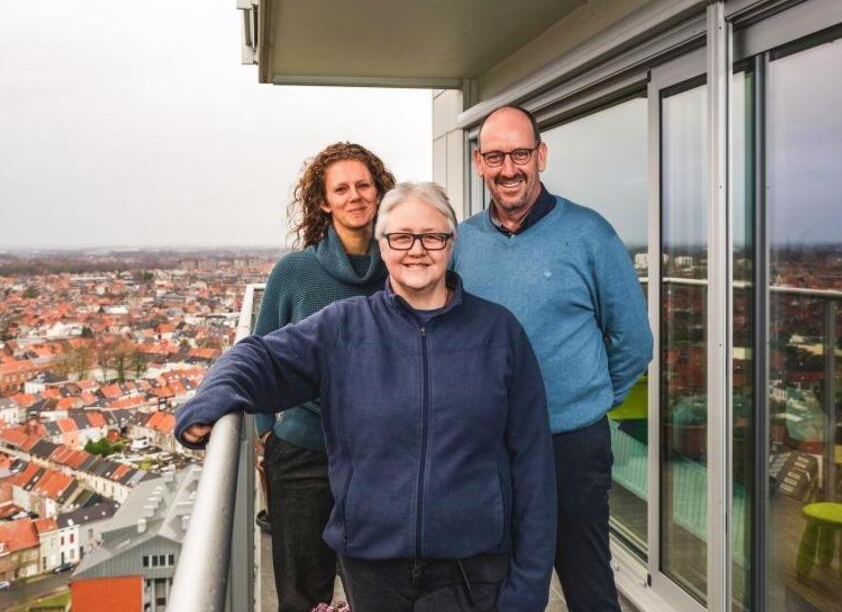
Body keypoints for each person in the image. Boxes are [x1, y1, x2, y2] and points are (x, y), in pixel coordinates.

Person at [177, 182, 557, 612]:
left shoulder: (499, 333)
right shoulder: (344, 328)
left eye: (432, 236)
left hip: (473, 568)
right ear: (382, 245)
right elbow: (259, 355)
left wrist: (529, 588)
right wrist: (211, 399)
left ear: (451, 243)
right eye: (400, 237)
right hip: (372, 568)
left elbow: (533, 465)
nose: (417, 250)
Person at [452, 105, 654, 612]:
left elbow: (633, 340)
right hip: (489, 443)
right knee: (497, 577)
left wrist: (592, 401)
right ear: (479, 163)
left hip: (571, 444)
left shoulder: (591, 235)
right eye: (495, 156)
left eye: (520, 153)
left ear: (540, 155)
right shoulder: (462, 243)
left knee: (585, 576)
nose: (508, 168)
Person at [253, 142, 395, 612]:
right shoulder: (294, 273)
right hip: (303, 453)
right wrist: (265, 433)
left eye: (363, 185)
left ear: (379, 193)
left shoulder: (402, 268)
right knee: (301, 593)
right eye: (342, 188)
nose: (355, 196)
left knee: (380, 589)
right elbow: (261, 355)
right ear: (323, 201)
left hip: (382, 455)